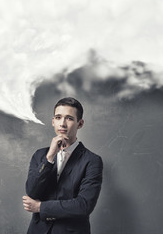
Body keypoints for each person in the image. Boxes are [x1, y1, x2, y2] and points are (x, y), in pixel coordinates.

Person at [22, 97, 103, 234]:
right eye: (58, 117)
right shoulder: (40, 155)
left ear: (80, 123)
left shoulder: (92, 161)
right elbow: (32, 192)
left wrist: (41, 207)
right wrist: (49, 157)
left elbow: (84, 205)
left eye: (69, 118)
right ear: (53, 121)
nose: (63, 124)